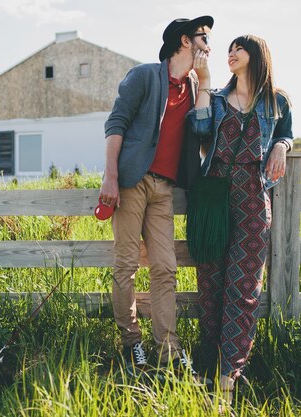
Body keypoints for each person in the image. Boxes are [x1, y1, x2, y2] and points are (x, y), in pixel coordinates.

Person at [100, 16, 213, 382]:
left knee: (165, 267)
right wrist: (111, 176)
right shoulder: (145, 76)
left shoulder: (196, 86)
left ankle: (169, 349)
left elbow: (202, 130)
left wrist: (207, 82)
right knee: (127, 265)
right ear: (184, 41)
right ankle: (131, 342)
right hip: (132, 181)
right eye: (203, 37)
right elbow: (116, 123)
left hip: (164, 188)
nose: (209, 44)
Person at [188, 34, 293, 404]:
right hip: (214, 196)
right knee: (211, 286)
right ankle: (206, 365)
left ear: (257, 55)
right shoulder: (215, 99)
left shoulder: (277, 102)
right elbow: (199, 131)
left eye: (239, 48)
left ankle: (228, 377)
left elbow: (286, 134)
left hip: (252, 195)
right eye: (229, 49)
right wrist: (202, 82)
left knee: (243, 289)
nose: (231, 53)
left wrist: (281, 145)